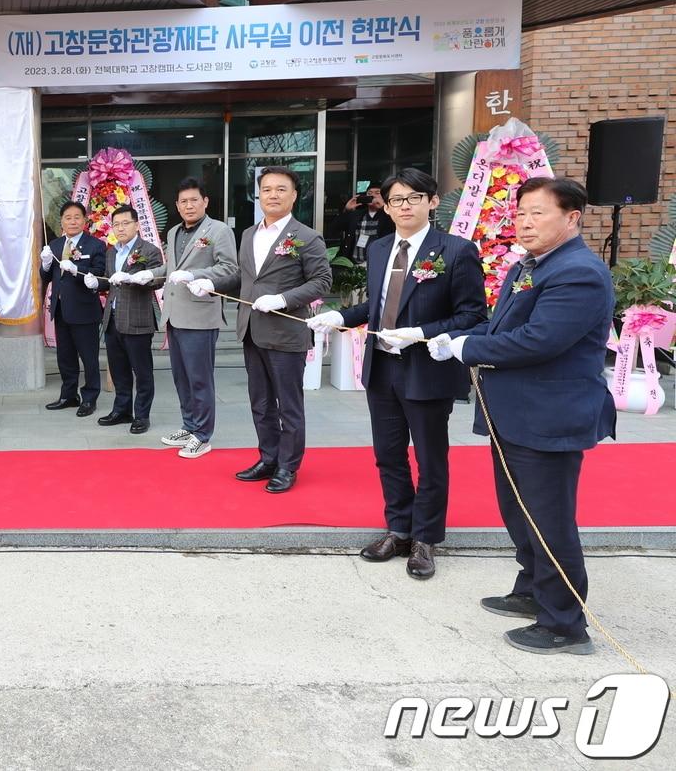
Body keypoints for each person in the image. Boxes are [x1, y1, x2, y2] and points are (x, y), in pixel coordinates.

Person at [428, 177, 616, 655]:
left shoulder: (579, 272)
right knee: (519, 510)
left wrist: (467, 346)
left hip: (549, 415)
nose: (525, 223)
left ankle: (564, 623)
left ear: (572, 217)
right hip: (513, 411)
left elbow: (540, 340)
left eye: (538, 213)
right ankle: (532, 589)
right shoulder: (529, 265)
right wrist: (445, 336)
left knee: (549, 520)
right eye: (520, 214)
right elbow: (500, 325)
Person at [308, 169, 486, 579]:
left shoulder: (456, 251)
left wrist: (421, 333)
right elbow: (379, 305)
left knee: (429, 456)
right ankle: (399, 528)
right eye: (396, 200)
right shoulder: (380, 247)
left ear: (432, 201)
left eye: (413, 198)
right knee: (388, 455)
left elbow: (474, 315)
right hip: (382, 366)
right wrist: (340, 315)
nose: (404, 206)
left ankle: (426, 538)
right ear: (385, 207)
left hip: (426, 367)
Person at [231, 167, 332, 494]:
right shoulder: (248, 234)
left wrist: (283, 299)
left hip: (286, 333)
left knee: (288, 404)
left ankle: (288, 465)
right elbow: (244, 278)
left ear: (294, 195)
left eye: (280, 189)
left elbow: (322, 281)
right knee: (260, 402)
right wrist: (206, 281)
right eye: (266, 189)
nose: (272, 195)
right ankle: (268, 457)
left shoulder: (306, 236)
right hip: (251, 329)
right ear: (257, 194)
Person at [157, 178, 239, 458]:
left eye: (194, 200)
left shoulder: (219, 230)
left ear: (205, 202)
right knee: (181, 378)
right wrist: (147, 275)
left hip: (201, 316)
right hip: (175, 315)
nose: (188, 205)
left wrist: (197, 275)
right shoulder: (173, 233)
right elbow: (172, 268)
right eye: (183, 201)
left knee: (200, 378)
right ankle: (189, 425)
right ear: (177, 206)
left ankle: (203, 435)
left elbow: (230, 269)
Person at [92, 204, 163, 435]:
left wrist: (138, 278)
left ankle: (142, 415)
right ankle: (122, 410)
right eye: (116, 224)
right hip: (112, 318)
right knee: (119, 370)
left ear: (137, 225)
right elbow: (110, 281)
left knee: (142, 372)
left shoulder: (149, 250)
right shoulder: (112, 251)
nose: (120, 228)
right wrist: (96, 283)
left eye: (125, 223)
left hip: (138, 319)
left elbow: (158, 278)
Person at [39, 201, 107, 416]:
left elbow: (100, 272)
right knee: (65, 357)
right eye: (68, 217)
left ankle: (89, 398)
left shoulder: (95, 245)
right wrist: (46, 264)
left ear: (85, 220)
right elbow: (47, 277)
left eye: (77, 217)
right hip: (61, 310)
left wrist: (77, 269)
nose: (72, 221)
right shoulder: (56, 245)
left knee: (89, 357)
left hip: (85, 310)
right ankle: (68, 395)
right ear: (62, 221)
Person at [333, 183, 395, 264]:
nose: (373, 196)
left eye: (377, 193)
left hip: (378, 264)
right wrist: (347, 209)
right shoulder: (357, 215)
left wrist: (385, 207)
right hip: (354, 265)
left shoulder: (388, 215)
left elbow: (395, 226)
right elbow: (335, 228)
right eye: (369, 193)